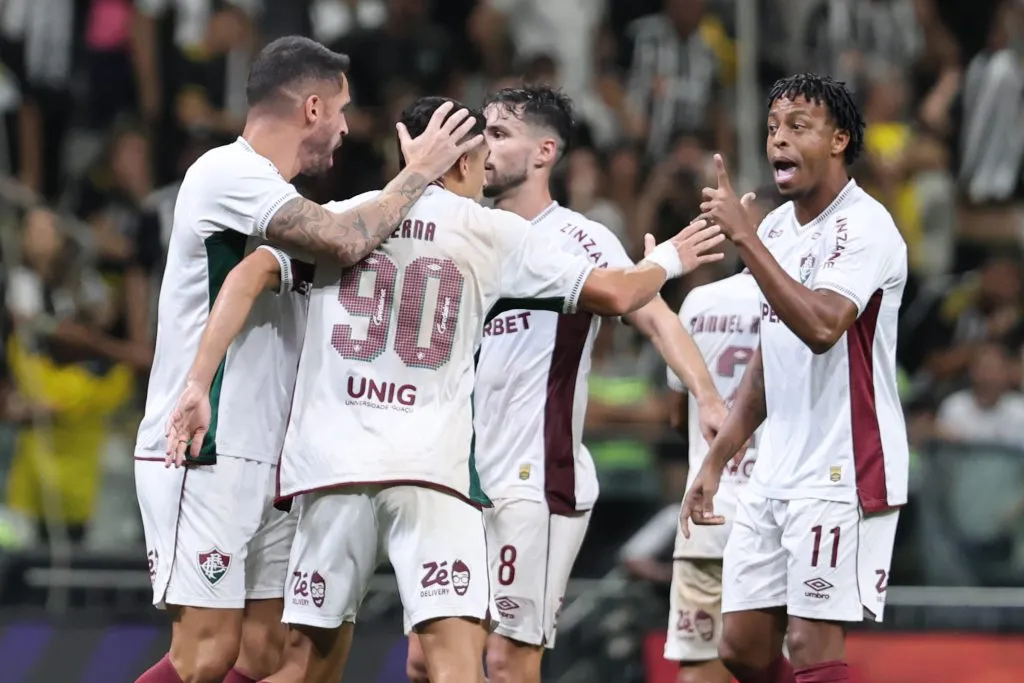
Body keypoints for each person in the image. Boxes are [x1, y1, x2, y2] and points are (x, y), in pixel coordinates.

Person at [165, 95, 725, 683]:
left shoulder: (346, 217)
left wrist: (199, 380)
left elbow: (248, 272)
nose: (486, 168)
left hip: (332, 471)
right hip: (432, 472)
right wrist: (669, 257)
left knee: (307, 668)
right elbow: (617, 295)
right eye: (481, 153)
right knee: (457, 666)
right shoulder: (493, 232)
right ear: (454, 160)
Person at [133, 36, 484, 683]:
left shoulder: (283, 204)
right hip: (203, 445)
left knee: (263, 656)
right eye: (343, 111)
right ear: (313, 107)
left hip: (271, 458)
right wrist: (421, 171)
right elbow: (346, 239)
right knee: (205, 654)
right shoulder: (227, 174)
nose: (348, 128)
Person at [407, 84, 729, 683]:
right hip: (453, 476)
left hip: (534, 478)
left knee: (506, 662)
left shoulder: (581, 239)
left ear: (544, 151)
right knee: (427, 660)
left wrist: (706, 396)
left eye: (500, 134)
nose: (484, 145)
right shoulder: (464, 228)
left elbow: (657, 319)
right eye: (482, 132)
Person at [681, 73, 909, 683]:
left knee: (809, 644)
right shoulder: (779, 229)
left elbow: (823, 326)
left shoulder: (866, 226)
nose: (778, 140)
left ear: (838, 140)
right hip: (775, 466)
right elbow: (770, 355)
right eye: (773, 128)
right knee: (743, 648)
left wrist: (745, 239)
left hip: (843, 465)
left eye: (798, 127)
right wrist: (720, 456)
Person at [663, 267, 763, 683]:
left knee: (699, 662)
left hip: (706, 512)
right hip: (774, 516)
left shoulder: (700, 301)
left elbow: (674, 413)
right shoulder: (810, 304)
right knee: (776, 661)